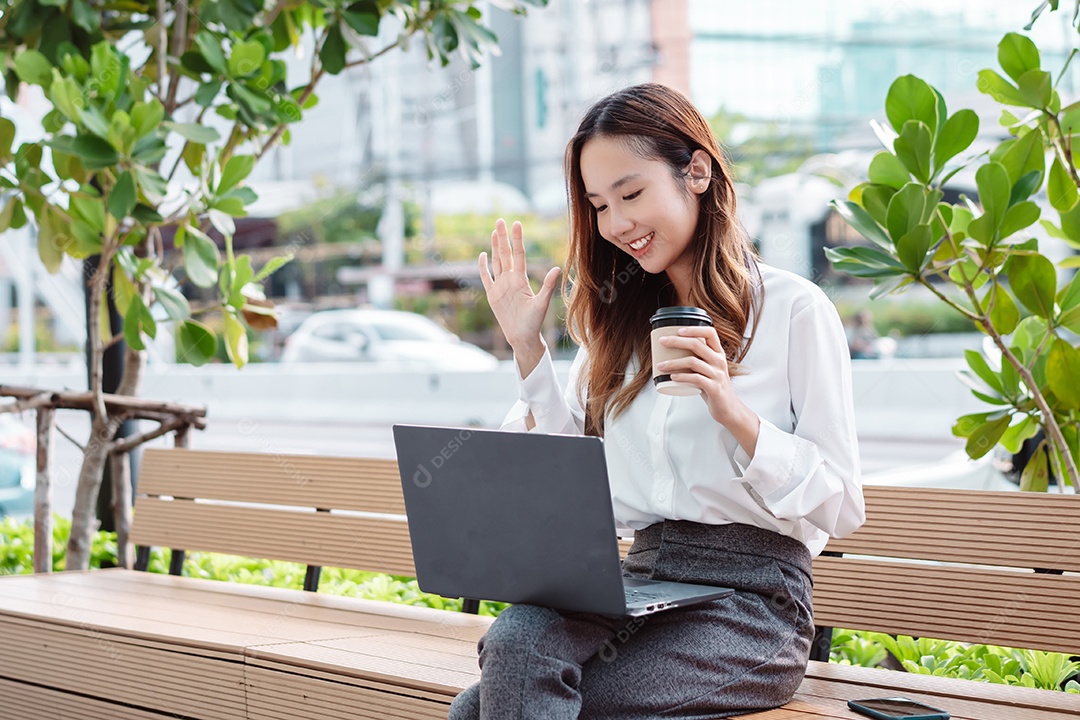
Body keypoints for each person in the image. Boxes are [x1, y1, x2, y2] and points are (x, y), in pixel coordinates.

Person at [451, 83, 865, 720]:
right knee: (518, 640)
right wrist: (528, 350)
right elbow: (574, 481)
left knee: (485, 706)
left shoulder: (792, 311)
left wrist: (731, 409)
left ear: (696, 171)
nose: (616, 225)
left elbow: (841, 504)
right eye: (598, 205)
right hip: (639, 583)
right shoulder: (615, 330)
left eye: (632, 194)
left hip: (753, 601)